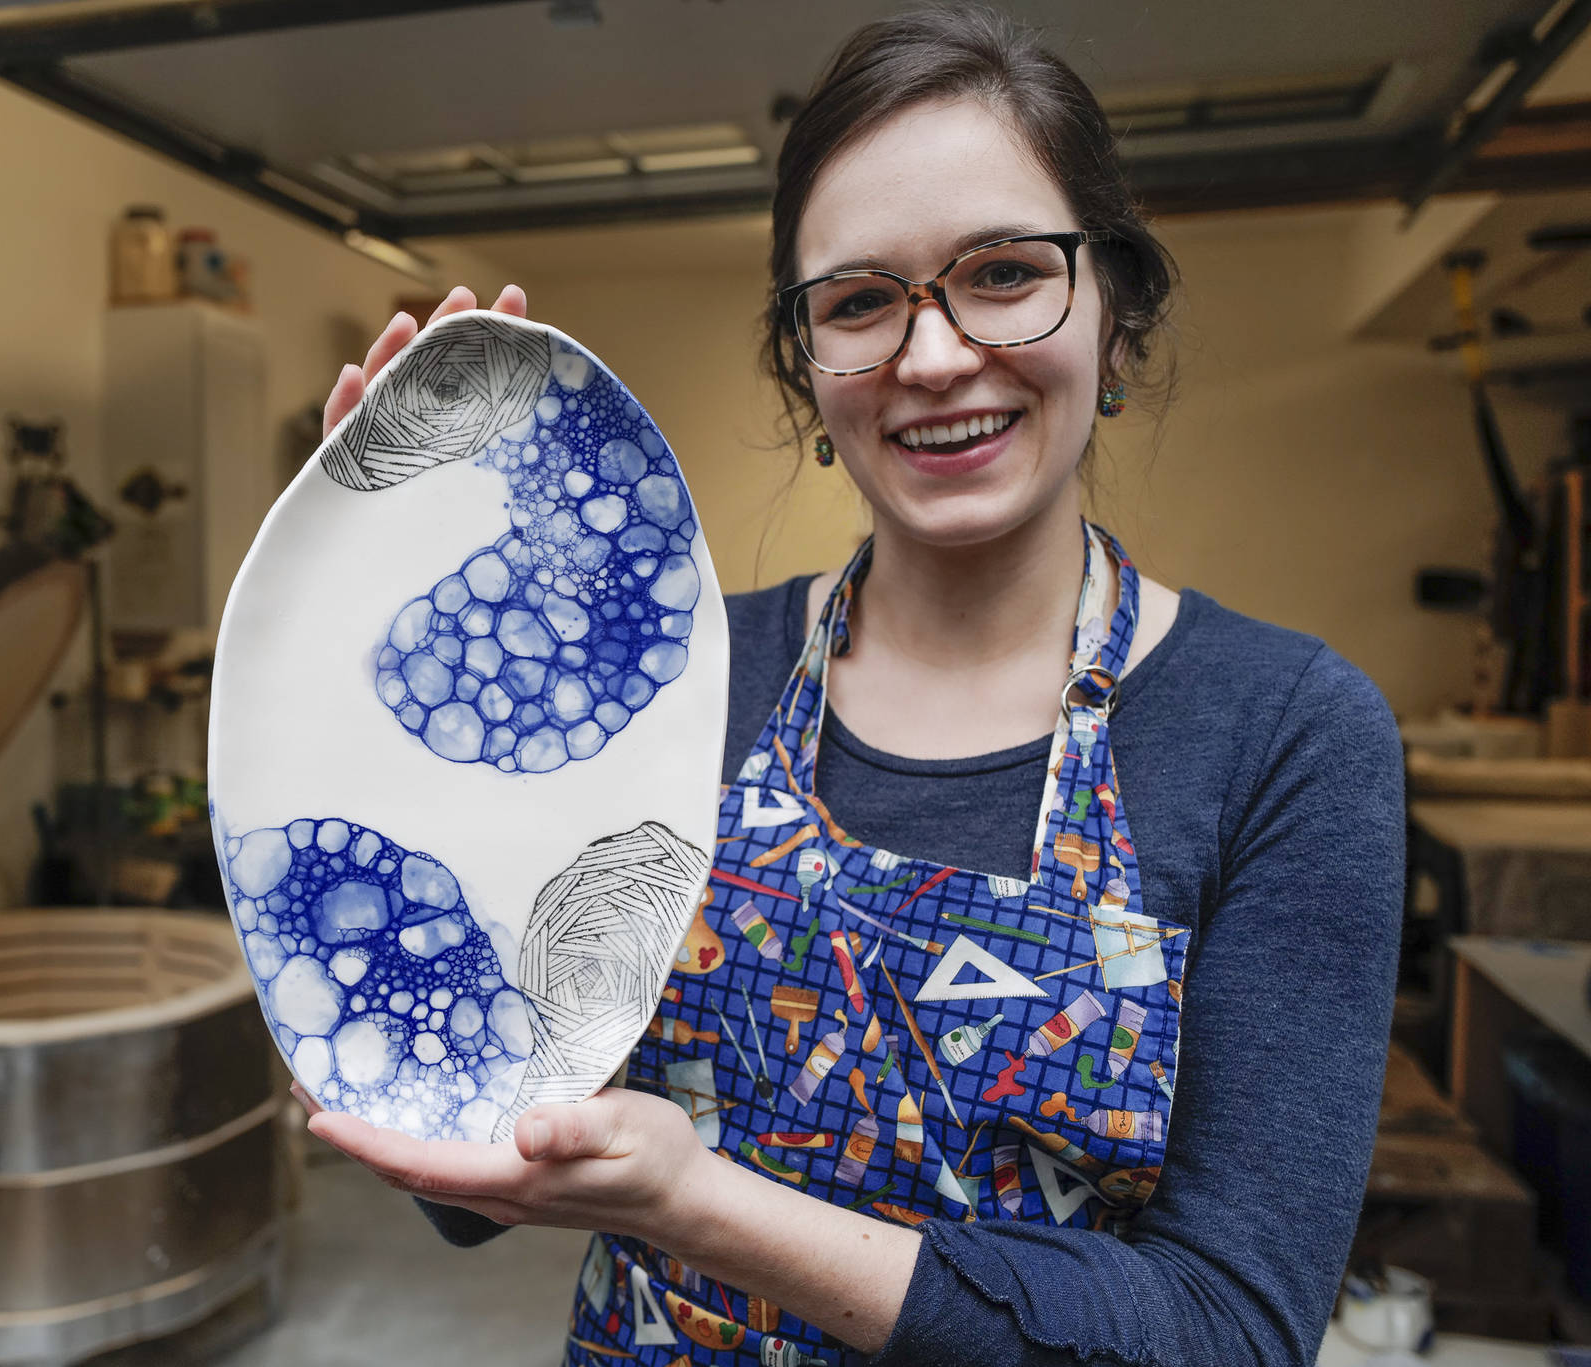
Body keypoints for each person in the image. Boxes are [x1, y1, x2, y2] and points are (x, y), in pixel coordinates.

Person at [297, 7, 1404, 1365]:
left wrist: (704, 1207)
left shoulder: (1285, 734)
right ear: (806, 364)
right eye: (862, 301)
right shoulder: (685, 677)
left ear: (1115, 314)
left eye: (1004, 272)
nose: (932, 357)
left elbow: (1229, 1332)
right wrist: (329, 710)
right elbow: (474, 1162)